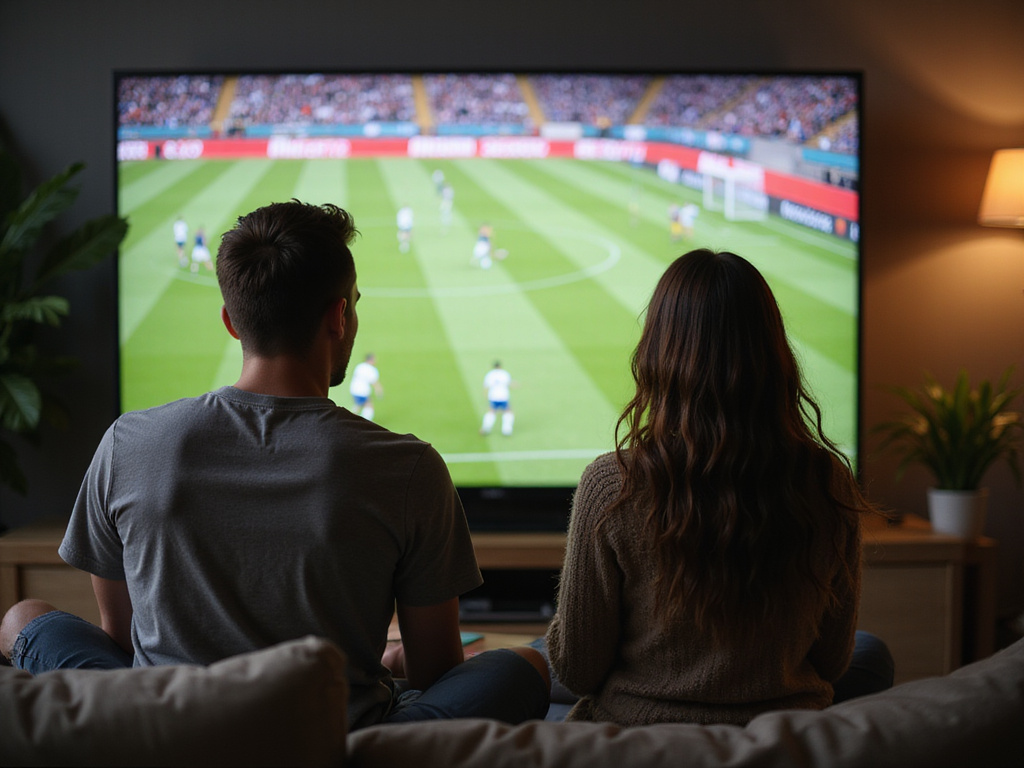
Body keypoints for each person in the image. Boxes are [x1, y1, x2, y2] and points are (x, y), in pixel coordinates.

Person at [0, 200, 549, 729]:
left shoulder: (127, 442)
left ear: (231, 322)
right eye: (354, 301)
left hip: (162, 727)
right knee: (522, 666)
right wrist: (389, 662)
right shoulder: (410, 468)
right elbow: (435, 673)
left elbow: (122, 638)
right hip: (340, 738)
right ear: (339, 316)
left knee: (22, 619)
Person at [544, 249, 892, 726]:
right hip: (784, 733)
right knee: (872, 655)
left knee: (528, 658)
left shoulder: (612, 485)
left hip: (641, 733)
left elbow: (579, 670)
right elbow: (831, 663)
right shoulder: (827, 478)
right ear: (773, 353)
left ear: (656, 352)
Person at [480, 360, 515, 436]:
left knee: (491, 412)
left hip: (493, 397)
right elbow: (509, 384)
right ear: (500, 366)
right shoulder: (504, 374)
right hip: (503, 397)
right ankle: (507, 430)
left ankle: (486, 428)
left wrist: (486, 397)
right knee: (508, 412)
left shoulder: (490, 375)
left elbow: (486, 387)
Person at [349, 352, 383, 421]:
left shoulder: (360, 366)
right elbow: (375, 383)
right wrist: (379, 392)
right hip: (362, 391)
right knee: (367, 406)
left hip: (354, 389)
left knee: (359, 405)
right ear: (371, 360)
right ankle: (363, 421)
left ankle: (355, 420)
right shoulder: (371, 369)